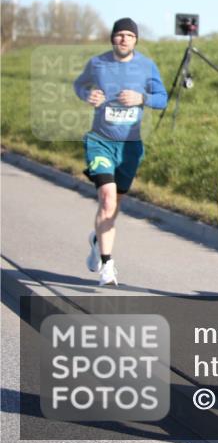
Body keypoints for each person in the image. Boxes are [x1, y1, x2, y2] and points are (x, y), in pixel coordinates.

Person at [73, 17, 168, 286]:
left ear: (135, 40)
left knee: (114, 204)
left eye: (129, 35)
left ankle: (97, 239)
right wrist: (87, 95)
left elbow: (162, 99)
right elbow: (79, 85)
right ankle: (107, 265)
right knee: (107, 199)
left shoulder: (146, 66)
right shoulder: (97, 63)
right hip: (100, 141)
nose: (124, 39)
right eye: (119, 34)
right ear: (112, 38)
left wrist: (142, 98)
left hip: (129, 147)